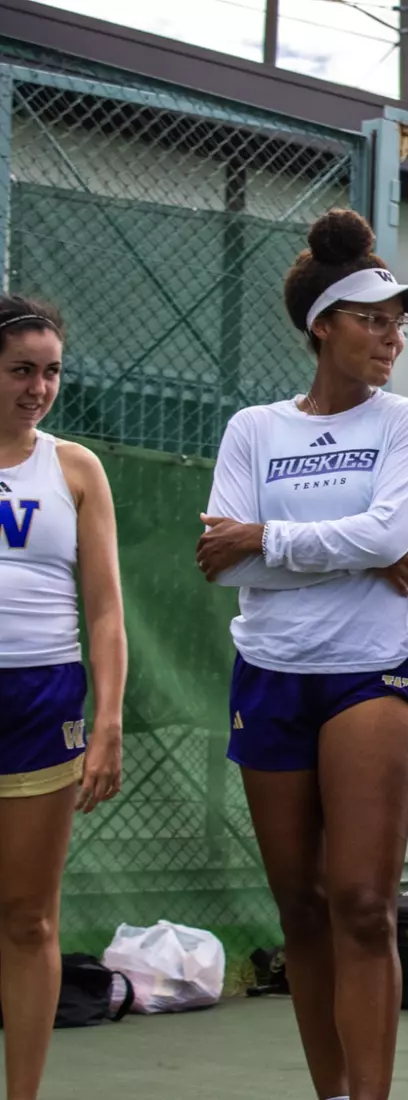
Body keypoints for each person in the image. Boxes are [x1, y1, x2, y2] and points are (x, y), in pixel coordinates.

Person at [196, 209, 408, 1100]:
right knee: (301, 907)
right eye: (373, 320)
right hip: (270, 672)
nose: (392, 338)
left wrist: (275, 538)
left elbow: (384, 531)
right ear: (323, 326)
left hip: (376, 668)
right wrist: (359, 551)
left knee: (363, 903)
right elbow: (222, 564)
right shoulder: (253, 430)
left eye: (399, 324)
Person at [0, 296, 125, 1100]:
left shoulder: (75, 470)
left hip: (43, 700)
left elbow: (106, 610)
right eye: (21, 370)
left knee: (28, 917)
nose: (39, 388)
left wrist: (108, 720)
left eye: (50, 371)